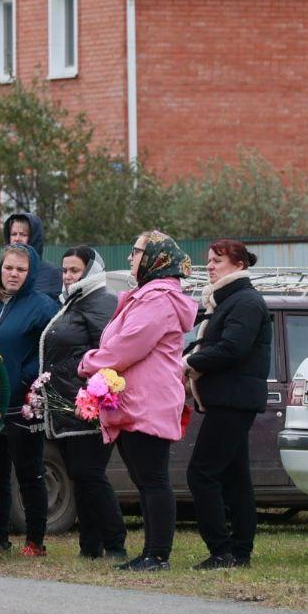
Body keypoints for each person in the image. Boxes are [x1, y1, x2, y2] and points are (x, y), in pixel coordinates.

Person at [79, 231, 196, 571]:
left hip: (149, 400)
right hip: (136, 400)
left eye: (137, 251)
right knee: (146, 479)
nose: (130, 258)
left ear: (155, 258)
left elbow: (130, 344)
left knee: (153, 479)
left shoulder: (158, 298)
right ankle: (150, 553)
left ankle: (157, 555)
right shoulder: (146, 295)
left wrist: (90, 362)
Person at [185, 239, 271, 570]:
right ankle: (239, 552)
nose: (209, 265)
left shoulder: (245, 302)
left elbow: (231, 349)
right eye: (208, 260)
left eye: (217, 260)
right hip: (227, 399)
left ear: (239, 265)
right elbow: (212, 343)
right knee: (235, 478)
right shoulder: (227, 301)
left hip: (233, 400)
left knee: (201, 474)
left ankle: (222, 551)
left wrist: (188, 364)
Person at [39, 247, 125, 560]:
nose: (67, 277)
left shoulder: (100, 301)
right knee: (81, 476)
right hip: (65, 406)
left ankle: (115, 541)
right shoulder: (75, 300)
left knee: (90, 474)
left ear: (89, 271)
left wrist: (91, 395)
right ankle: (91, 546)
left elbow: (108, 353)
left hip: (88, 406)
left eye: (74, 271)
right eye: (64, 271)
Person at [0, 243, 60, 556]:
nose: (13, 274)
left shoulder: (42, 306)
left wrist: (26, 377)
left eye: (21, 270)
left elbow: (49, 349)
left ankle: (35, 541)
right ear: (0, 269)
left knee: (29, 472)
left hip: (23, 405)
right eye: (9, 268)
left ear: (31, 273)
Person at [0, 213, 62, 300]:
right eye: (14, 234)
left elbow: (48, 308)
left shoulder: (50, 272)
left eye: (23, 234)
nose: (17, 239)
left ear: (34, 237)